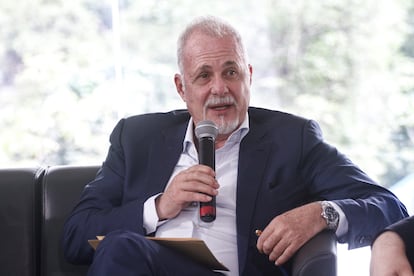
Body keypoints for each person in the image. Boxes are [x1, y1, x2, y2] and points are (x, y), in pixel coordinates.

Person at [62, 15, 408, 276]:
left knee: (122, 249)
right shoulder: (135, 137)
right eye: (203, 76)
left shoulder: (293, 139)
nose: (219, 88)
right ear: (181, 88)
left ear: (249, 75)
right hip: (142, 264)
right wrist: (160, 206)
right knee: (121, 248)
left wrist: (321, 213)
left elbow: (389, 207)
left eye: (231, 72)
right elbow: (76, 236)